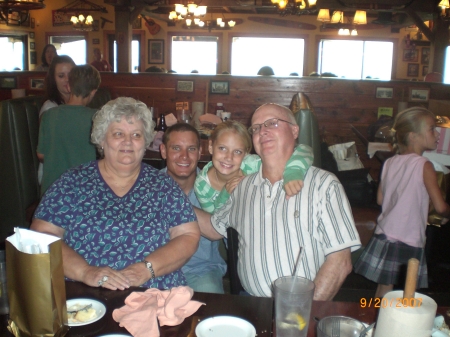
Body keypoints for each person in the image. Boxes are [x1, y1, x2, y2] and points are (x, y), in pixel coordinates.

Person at [195, 103, 361, 300]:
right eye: (256, 128)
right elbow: (214, 229)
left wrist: (300, 314)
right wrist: (175, 199)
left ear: (294, 130)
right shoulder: (241, 186)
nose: (262, 131)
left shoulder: (323, 184)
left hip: (300, 308)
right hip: (249, 302)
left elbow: (340, 262)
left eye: (272, 123)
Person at [31, 97, 200, 290]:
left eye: (136, 135)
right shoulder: (73, 182)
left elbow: (188, 235)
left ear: (145, 142)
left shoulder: (163, 186)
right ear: (101, 139)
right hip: (86, 294)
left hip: (154, 291)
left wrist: (146, 270)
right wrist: (85, 271)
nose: (128, 142)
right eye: (118, 134)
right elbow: (42, 234)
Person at [354, 107, 450, 298]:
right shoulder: (424, 165)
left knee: (383, 290)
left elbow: (381, 199)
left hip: (385, 233)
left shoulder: (390, 162)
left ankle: (375, 324)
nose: (437, 133)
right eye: (432, 128)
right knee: (408, 293)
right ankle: (402, 325)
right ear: (413, 136)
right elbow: (440, 207)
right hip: (409, 238)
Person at [160, 123, 227, 293]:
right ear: (163, 151)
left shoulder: (218, 188)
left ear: (199, 153)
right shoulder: (146, 186)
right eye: (176, 148)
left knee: (213, 315)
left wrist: (173, 200)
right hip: (157, 270)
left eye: (191, 149)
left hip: (202, 271)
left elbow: (218, 231)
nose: (184, 156)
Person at [194, 120, 313, 214]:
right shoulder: (201, 185)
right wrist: (225, 194)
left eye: (237, 152)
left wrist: (293, 172)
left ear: (245, 154)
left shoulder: (253, 165)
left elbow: (303, 150)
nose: (228, 157)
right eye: (222, 148)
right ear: (210, 147)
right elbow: (215, 220)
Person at [37, 64, 100, 195]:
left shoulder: (48, 115)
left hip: (51, 192)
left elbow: (41, 155)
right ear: (93, 92)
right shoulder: (97, 117)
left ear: (69, 86)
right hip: (83, 191)